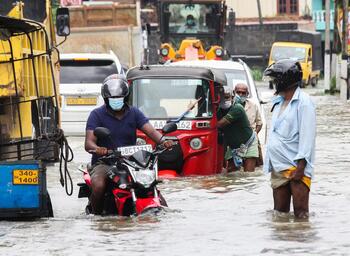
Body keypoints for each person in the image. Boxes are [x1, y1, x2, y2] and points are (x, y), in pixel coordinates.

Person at [85, 74, 173, 215]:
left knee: (150, 184)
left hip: (130, 162)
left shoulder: (134, 113)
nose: (116, 102)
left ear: (126, 97)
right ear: (106, 99)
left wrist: (163, 141)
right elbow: (89, 143)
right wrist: (99, 149)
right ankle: (96, 216)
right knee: (99, 185)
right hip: (105, 162)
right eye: (112, 99)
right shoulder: (96, 115)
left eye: (119, 99)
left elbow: (150, 131)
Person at [263, 59, 316, 218]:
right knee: (280, 215)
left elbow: (307, 136)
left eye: (275, 79)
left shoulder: (304, 103)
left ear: (284, 80)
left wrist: (300, 168)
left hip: (296, 167)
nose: (274, 83)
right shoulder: (278, 102)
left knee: (301, 215)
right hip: (278, 166)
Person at [217, 87, 258, 172]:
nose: (224, 100)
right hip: (233, 146)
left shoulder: (237, 108)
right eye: (222, 98)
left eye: (227, 97)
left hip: (248, 143)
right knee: (231, 176)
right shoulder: (218, 110)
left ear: (232, 97)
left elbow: (219, 124)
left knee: (248, 175)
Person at [234, 83, 263, 167]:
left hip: (250, 141)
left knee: (250, 171)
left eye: (243, 93)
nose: (240, 95)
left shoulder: (253, 106)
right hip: (234, 141)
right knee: (232, 169)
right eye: (238, 92)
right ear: (234, 92)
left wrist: (254, 135)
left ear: (247, 94)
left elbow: (259, 123)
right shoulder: (229, 106)